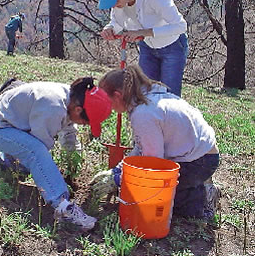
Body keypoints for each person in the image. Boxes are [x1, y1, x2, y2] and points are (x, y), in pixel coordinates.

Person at [0, 77, 112, 230]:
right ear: (78, 110)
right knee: (36, 151)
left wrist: (72, 165)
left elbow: (69, 135)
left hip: (10, 126)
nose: (84, 125)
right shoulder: (53, 106)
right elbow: (38, 150)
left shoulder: (71, 99)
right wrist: (55, 182)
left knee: (23, 165)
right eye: (86, 122)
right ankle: (63, 208)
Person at [91, 65, 220, 219]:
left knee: (158, 199)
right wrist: (117, 170)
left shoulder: (143, 114)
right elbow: (141, 148)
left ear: (117, 95)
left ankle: (205, 196)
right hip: (200, 153)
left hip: (199, 161)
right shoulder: (148, 99)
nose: (109, 107)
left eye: (107, 101)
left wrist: (119, 180)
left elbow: (153, 164)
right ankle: (196, 183)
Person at [98, 0, 188, 97]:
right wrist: (109, 29)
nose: (114, 5)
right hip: (147, 47)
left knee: (170, 97)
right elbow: (116, 21)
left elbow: (180, 26)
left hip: (172, 47)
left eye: (115, 0)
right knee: (145, 94)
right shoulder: (119, 2)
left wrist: (144, 33)